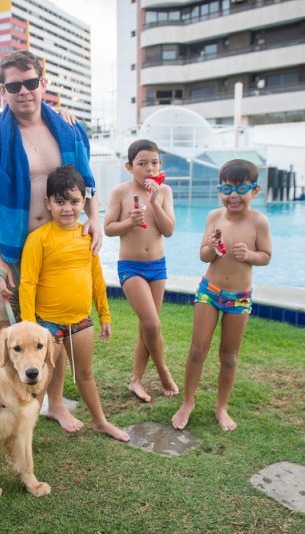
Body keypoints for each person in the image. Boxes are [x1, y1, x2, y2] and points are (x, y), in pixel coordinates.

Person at [0, 50, 101, 432]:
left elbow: (85, 183)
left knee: (50, 330)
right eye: (13, 85)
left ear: (44, 82)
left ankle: (54, 403)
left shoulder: (67, 130)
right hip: (10, 247)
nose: (23, 91)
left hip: (56, 247)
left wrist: (96, 220)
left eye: (30, 82)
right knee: (1, 327)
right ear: (3, 89)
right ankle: (2, 392)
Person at [20, 166, 129, 442]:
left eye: (74, 201)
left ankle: (100, 421)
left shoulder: (87, 235)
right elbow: (28, 283)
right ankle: (23, 434)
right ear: (48, 203)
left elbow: (96, 278)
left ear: (84, 201)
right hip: (47, 325)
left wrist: (104, 314)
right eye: (60, 202)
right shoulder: (39, 239)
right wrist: (30, 325)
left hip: (81, 321)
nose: (67, 208)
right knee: (41, 380)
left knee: (86, 374)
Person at [171, 159, 272, 431]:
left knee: (229, 356)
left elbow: (266, 256)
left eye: (241, 188)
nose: (233, 195)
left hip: (238, 298)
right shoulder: (214, 217)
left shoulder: (258, 221)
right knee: (197, 350)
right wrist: (213, 247)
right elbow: (203, 255)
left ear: (255, 190)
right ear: (219, 190)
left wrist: (250, 255)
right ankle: (188, 402)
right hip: (210, 291)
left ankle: (221, 406)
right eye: (226, 189)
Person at [103, 139, 178, 402]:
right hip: (131, 267)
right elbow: (108, 228)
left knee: (147, 328)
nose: (149, 168)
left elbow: (168, 230)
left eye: (154, 163)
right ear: (129, 166)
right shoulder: (121, 192)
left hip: (157, 267)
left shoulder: (165, 192)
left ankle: (136, 380)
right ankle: (163, 370)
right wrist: (128, 222)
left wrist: (155, 202)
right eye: (142, 163)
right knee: (152, 323)